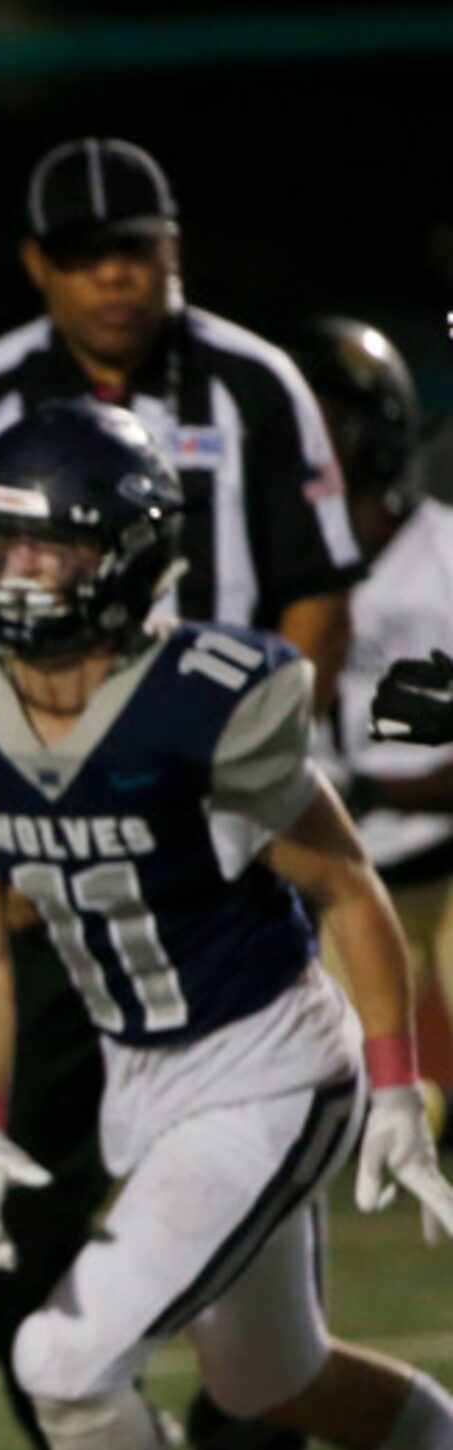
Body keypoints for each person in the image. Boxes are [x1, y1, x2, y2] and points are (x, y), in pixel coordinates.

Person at [0, 399, 453, 1450]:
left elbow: (348, 887)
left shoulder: (201, 698)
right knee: (271, 1379)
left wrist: (396, 1086)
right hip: (137, 1074)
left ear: (127, 554)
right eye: (1, 541)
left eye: (55, 546)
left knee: (62, 1353)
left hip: (268, 1065)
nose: (17, 570)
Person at [0, 138, 365, 1450]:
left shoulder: (253, 384)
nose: (121, 274)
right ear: (37, 267)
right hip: (57, 852)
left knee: (249, 1153)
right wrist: (27, 801)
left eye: (143, 245)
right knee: (13, 1164)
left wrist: (224, 797)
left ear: (177, 249)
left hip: (222, 835)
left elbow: (313, 598)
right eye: (91, 251)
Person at [294, 319, 453, 1000]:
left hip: (446, 863)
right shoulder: (281, 574)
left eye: (320, 421)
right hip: (338, 878)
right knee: (340, 1091)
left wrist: (376, 791)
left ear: (375, 428)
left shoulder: (444, 559)